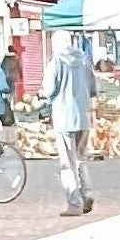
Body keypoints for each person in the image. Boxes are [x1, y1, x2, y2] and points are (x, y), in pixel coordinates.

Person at [48, 33, 94, 217]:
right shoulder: (85, 60)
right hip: (83, 116)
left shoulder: (56, 62)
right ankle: (87, 192)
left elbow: (49, 89)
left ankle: (74, 203)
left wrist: (49, 99)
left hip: (64, 117)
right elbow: (94, 89)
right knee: (80, 158)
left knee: (67, 163)